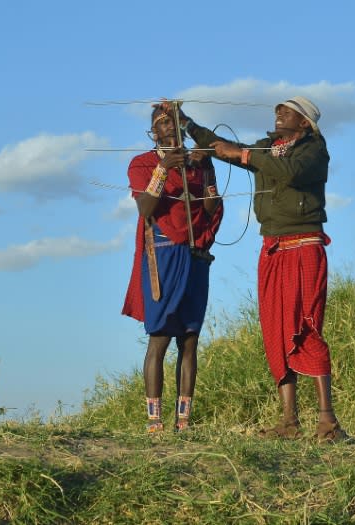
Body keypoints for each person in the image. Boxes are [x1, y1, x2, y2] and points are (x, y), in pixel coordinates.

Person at [177, 96, 349, 443]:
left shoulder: (313, 150)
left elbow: (288, 171)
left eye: (287, 111)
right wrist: (187, 125)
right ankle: (289, 421)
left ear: (305, 123)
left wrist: (239, 154)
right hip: (272, 248)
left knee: (305, 327)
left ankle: (328, 422)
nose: (278, 113)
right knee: (275, 329)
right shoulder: (269, 148)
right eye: (278, 109)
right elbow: (228, 148)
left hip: (304, 246)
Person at [122, 103, 224, 433]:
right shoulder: (143, 163)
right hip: (163, 256)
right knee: (160, 337)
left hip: (195, 256)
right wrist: (164, 167)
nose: (170, 126)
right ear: (154, 131)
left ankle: (184, 422)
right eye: (163, 122)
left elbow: (210, 209)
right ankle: (155, 422)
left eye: (174, 121)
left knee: (190, 338)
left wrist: (206, 169)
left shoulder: (196, 165)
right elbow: (146, 207)